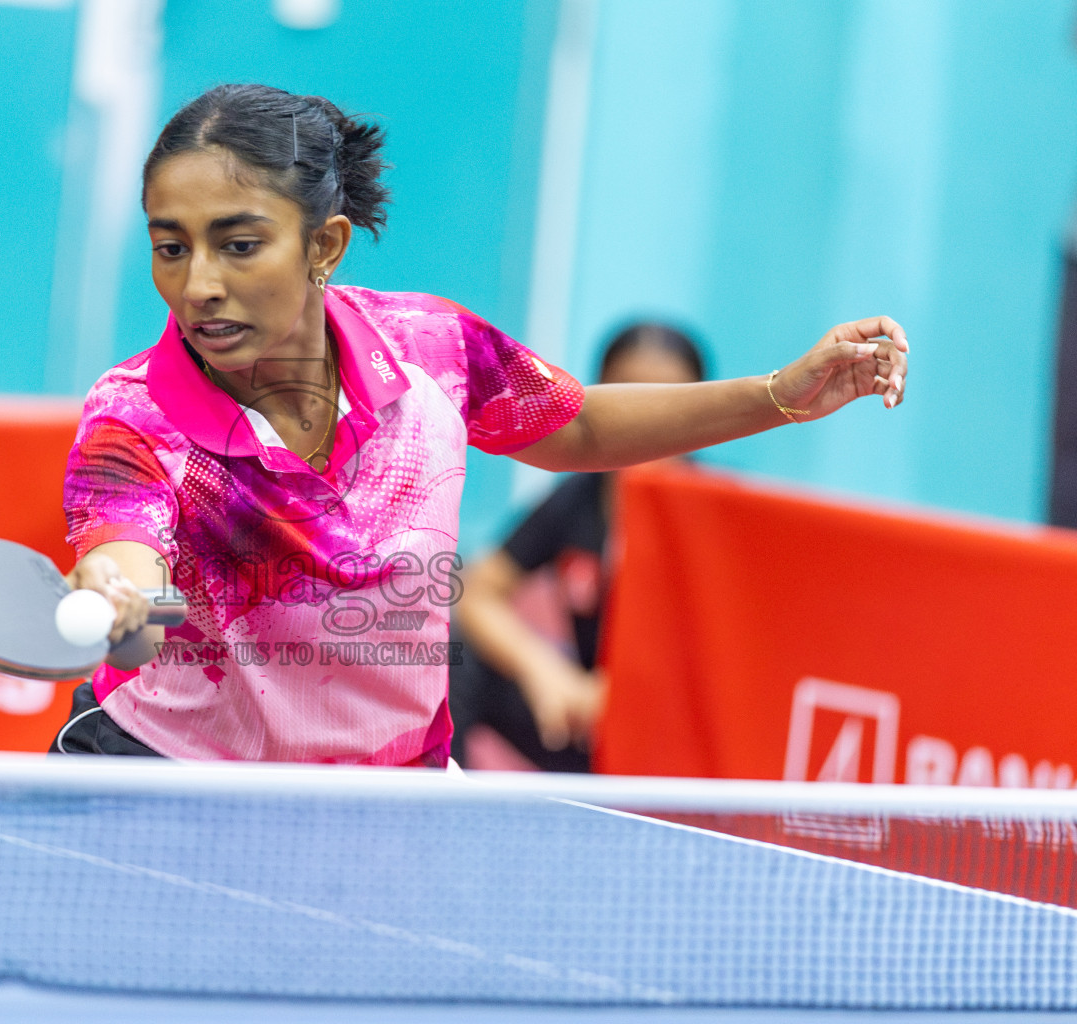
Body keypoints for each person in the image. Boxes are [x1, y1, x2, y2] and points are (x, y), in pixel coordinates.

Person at [53, 83, 909, 765]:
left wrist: (783, 394)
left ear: (326, 245)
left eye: (238, 244)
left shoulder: (430, 347)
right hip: (169, 780)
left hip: (385, 804)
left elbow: (579, 427)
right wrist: (124, 597)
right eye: (172, 247)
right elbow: (125, 550)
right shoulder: (137, 417)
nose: (199, 283)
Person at [447, 323, 705, 772]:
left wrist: (626, 695)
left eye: (666, 402)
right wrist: (543, 668)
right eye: (629, 399)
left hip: (676, 743)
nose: (648, 423)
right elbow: (478, 591)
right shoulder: (579, 499)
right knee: (454, 652)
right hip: (587, 729)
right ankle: (436, 814)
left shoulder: (716, 517)